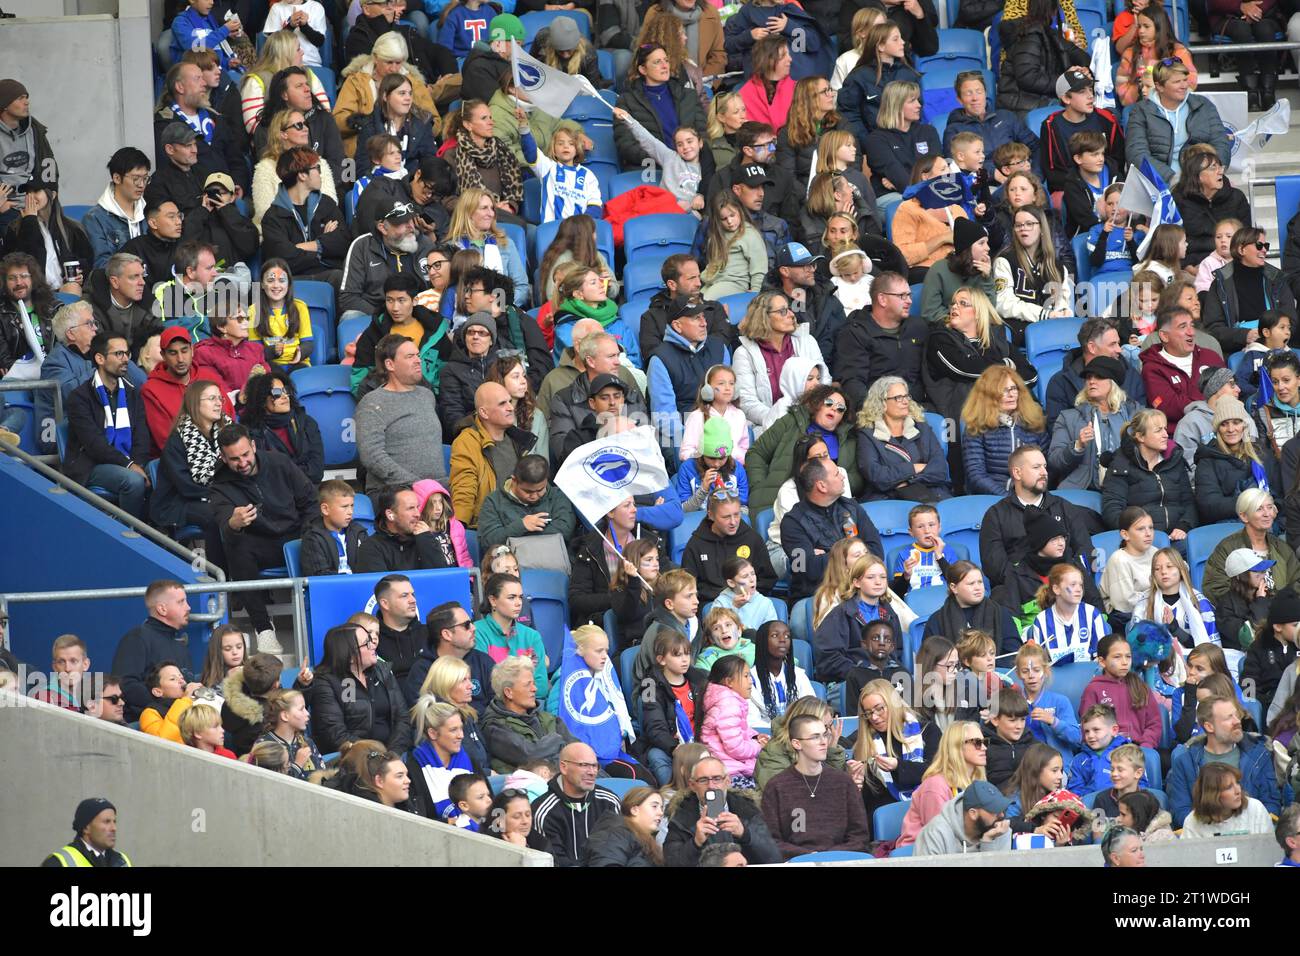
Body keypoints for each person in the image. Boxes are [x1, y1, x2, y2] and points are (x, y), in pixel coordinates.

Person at [208, 423, 316, 651]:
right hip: (260, 544)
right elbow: (223, 523)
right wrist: (233, 524)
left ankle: (319, 617)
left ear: (254, 446)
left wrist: (308, 533)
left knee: (319, 533)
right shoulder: (220, 484)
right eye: (234, 459)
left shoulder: (279, 462)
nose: (242, 462)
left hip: (295, 537)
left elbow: (310, 502)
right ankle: (264, 628)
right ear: (224, 458)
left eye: (245, 454)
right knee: (234, 544)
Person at [61, 332, 152, 519]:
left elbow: (141, 436)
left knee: (162, 473)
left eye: (127, 353)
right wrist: (129, 465)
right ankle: (129, 533)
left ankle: (161, 530)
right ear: (100, 358)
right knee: (133, 481)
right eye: (119, 354)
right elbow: (94, 445)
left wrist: (138, 463)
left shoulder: (132, 394)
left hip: (129, 461)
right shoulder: (79, 397)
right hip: (92, 464)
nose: (125, 359)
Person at [979, 445, 1096, 587]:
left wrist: (1063, 582)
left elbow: (1085, 553)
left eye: (1045, 466)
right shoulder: (996, 515)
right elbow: (995, 567)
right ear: (1017, 473)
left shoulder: (1065, 508)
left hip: (1066, 591)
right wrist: (1033, 585)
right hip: (1018, 596)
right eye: (1036, 467)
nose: (1044, 472)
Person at [760, 712, 871, 858]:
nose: (823, 742)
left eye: (824, 735)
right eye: (815, 737)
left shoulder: (843, 782)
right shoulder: (776, 787)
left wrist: (829, 856)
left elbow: (860, 836)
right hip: (797, 863)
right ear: (796, 743)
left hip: (840, 860)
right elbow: (771, 840)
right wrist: (809, 855)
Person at [780, 456, 884, 603]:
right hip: (817, 596)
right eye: (836, 474)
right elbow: (804, 569)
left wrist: (826, 556)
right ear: (822, 486)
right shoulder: (793, 523)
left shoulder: (852, 507)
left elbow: (877, 552)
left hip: (861, 588)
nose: (842, 476)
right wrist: (854, 554)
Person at [1166, 695, 1281, 827]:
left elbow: (1271, 803)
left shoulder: (1259, 754)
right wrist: (1216, 826)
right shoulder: (1186, 762)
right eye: (1228, 718)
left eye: (1236, 715)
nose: (1237, 721)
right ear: (1209, 727)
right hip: (1205, 838)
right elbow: (1180, 812)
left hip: (1250, 835)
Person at [354, 333, 447, 495]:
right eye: (410, 356)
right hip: (395, 492)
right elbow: (372, 456)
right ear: (390, 364)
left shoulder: (427, 395)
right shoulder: (372, 402)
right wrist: (417, 484)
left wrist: (432, 488)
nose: (418, 360)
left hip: (437, 490)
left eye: (418, 355)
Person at [308, 622, 413, 755]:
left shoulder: (382, 670)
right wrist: (377, 755)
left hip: (392, 755)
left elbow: (402, 717)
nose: (373, 645)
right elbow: (335, 735)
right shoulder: (326, 682)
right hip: (354, 759)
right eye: (366, 643)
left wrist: (393, 754)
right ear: (350, 655)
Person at [663, 754, 784, 865]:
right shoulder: (680, 816)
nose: (711, 786)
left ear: (727, 781)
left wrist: (745, 834)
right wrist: (695, 843)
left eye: (717, 779)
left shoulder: (748, 810)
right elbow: (672, 862)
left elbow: (775, 857)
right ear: (692, 785)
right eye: (703, 780)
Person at [151, 63, 249, 195]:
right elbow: (167, 172)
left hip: (228, 201)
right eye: (197, 79)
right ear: (180, 87)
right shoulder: (164, 124)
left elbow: (236, 160)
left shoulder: (216, 119)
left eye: (203, 78)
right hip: (193, 204)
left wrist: (238, 186)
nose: (204, 83)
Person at [1050, 356, 1140, 492]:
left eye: (1099, 377)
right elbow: (1054, 461)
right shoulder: (1068, 417)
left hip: (1128, 485)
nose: (1092, 381)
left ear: (1113, 382)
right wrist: (1077, 446)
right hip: (1084, 487)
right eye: (1088, 377)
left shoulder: (1134, 414)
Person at [1203, 226, 1296, 357]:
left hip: (1277, 349)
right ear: (1241, 249)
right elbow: (1213, 328)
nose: (1264, 250)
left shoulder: (1277, 279)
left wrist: (1272, 336)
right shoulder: (1220, 283)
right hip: (1237, 352)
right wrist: (1244, 336)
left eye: (1266, 246)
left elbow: (1291, 320)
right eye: (1259, 245)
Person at [647, 300, 731, 442]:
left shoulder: (719, 348)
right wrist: (694, 438)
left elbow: (728, 398)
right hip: (682, 434)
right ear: (677, 326)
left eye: (703, 316)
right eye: (696, 318)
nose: (704, 323)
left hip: (721, 425)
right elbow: (665, 417)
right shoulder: (660, 359)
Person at [612, 44, 707, 169]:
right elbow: (626, 145)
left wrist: (689, 155)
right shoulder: (627, 101)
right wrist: (662, 159)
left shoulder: (688, 95)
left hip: (689, 165)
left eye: (666, 60)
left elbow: (702, 133)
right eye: (657, 62)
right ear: (643, 69)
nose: (664, 66)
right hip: (650, 168)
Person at [480, 656, 578, 774]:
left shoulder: (548, 718)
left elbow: (577, 750)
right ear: (508, 692)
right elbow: (530, 754)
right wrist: (558, 740)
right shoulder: (495, 727)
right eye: (528, 685)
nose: (535, 689)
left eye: (534, 683)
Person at [1194, 397, 1282, 528]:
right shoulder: (1207, 460)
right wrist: (1252, 504)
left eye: (1236, 422)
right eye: (1224, 424)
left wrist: (1274, 511)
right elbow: (1209, 506)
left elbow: (1279, 495)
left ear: (1244, 425)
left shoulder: (1262, 453)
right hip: (1227, 527)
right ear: (1217, 429)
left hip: (1269, 524)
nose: (1231, 429)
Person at [961, 365, 1048, 496]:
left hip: (1032, 494)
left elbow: (1047, 466)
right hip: (992, 498)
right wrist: (1008, 498)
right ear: (988, 395)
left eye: (1014, 388)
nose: (1011, 394)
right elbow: (976, 475)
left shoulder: (1033, 422)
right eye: (1004, 390)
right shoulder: (976, 427)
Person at [1045, 318, 1147, 431]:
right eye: (1112, 344)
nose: (1119, 350)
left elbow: (1142, 422)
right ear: (1092, 347)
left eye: (1118, 344)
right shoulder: (1061, 383)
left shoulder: (1131, 374)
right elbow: (1058, 431)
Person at [997, 0, 1091, 117]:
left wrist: (1083, 70)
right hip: (1022, 106)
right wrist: (1066, 80)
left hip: (1043, 100)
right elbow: (1028, 78)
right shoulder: (1029, 35)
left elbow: (1079, 55)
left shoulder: (1049, 33)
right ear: (1052, 11)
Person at [1139, 305, 1226, 431]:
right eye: (1183, 327)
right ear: (1164, 336)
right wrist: (1212, 399)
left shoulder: (1210, 356)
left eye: (1192, 325)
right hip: (1179, 437)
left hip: (1222, 429)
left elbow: (1230, 390)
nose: (1191, 332)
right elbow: (1169, 407)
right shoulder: (1152, 368)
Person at [1176, 146, 1253, 274]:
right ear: (1197, 175)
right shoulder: (1179, 200)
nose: (1220, 172)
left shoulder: (1236, 197)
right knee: (1144, 284)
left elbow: (1247, 237)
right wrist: (1188, 266)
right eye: (1213, 168)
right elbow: (1173, 241)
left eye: (1220, 167)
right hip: (1191, 266)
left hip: (1232, 264)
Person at [82, 148, 151, 270]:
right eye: (136, 179)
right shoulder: (95, 219)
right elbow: (101, 265)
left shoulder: (149, 211)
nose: (141, 185)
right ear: (117, 178)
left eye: (145, 178)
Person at [1180, 762, 1276, 838]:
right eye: (1229, 787)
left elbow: (1268, 850)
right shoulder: (1192, 821)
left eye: (1237, 783)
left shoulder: (1255, 808)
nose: (1238, 790)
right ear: (1212, 794)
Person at [1243, 592, 1300, 717]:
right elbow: (1248, 684)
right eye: (1295, 625)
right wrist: (1255, 705)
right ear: (1278, 627)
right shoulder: (1259, 648)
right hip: (1271, 708)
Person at [42, 798, 131, 868]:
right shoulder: (58, 862)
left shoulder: (123, 861)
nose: (114, 828)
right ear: (85, 827)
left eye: (114, 821)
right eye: (106, 822)